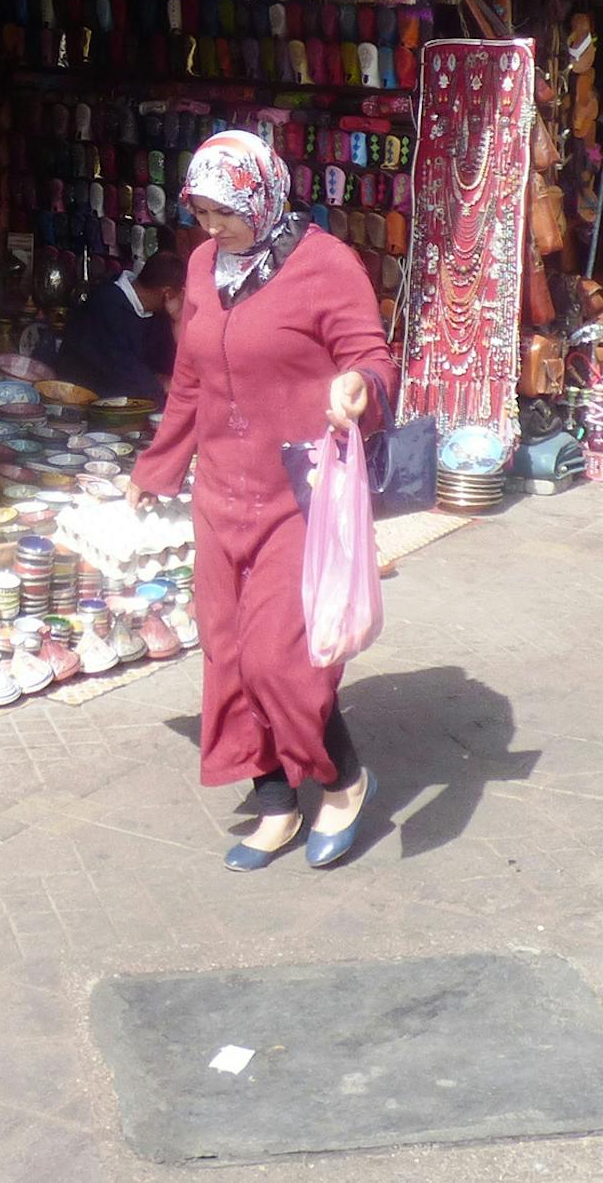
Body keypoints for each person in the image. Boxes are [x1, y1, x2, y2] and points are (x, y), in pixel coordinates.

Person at [124, 131, 393, 871]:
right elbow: (191, 380)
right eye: (201, 212)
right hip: (222, 491)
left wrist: (357, 389)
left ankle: (341, 779)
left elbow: (371, 358)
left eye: (224, 213)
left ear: (263, 195)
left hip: (299, 492)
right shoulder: (207, 265)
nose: (211, 229)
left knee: (283, 657)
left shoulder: (326, 266)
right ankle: (274, 803)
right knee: (230, 654)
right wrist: (158, 468)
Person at [57, 251, 185, 400]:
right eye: (180, 294)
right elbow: (119, 368)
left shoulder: (158, 314)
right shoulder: (105, 304)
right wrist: (160, 383)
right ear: (168, 293)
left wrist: (178, 321)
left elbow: (171, 365)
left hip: (133, 403)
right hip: (84, 403)